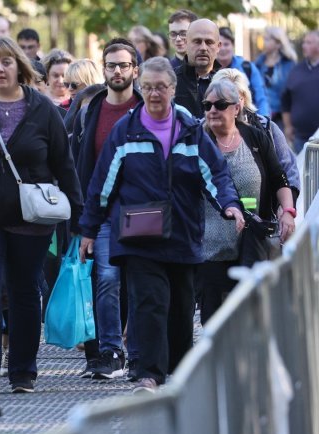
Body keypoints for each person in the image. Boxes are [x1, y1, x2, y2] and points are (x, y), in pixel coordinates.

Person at [78, 57, 245, 394]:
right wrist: (89, 229)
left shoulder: (190, 128)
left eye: (161, 87)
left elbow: (214, 173)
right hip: (140, 235)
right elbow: (103, 183)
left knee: (181, 309)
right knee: (150, 302)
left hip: (182, 233)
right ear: (141, 89)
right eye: (148, 87)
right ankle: (149, 374)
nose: (154, 94)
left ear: (172, 90)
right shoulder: (125, 130)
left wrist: (229, 204)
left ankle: (180, 373)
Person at [0, 37, 83, 393]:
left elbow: (63, 164)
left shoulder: (42, 109)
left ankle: (23, 370)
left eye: (6, 62)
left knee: (24, 290)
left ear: (19, 67)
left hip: (31, 216)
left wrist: (82, 218)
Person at [70, 39, 142, 381]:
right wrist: (82, 222)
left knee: (138, 281)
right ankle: (110, 351)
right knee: (106, 279)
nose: (116, 71)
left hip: (141, 210)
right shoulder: (92, 109)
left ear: (134, 70)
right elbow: (79, 165)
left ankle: (139, 351)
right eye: (111, 64)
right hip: (101, 211)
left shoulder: (146, 108)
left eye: (123, 65)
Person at [199, 78, 294, 323]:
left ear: (236, 108)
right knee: (214, 320)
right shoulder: (197, 140)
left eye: (220, 104)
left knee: (254, 316)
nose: (212, 110)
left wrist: (288, 212)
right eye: (206, 105)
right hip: (210, 249)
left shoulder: (254, 137)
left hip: (253, 242)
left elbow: (279, 178)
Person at [213, 68, 301, 201]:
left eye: (236, 97)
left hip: (262, 215)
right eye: (222, 100)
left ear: (244, 98)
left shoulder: (265, 127)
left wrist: (286, 207)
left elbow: (288, 170)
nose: (232, 105)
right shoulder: (202, 130)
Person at [174, 18, 222, 118]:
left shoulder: (228, 83)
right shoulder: (171, 82)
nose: (203, 48)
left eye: (209, 42)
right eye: (197, 41)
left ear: (218, 46)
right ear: (186, 43)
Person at [216, 27, 270, 116]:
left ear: (233, 46)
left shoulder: (247, 67)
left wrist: (264, 122)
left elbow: (261, 97)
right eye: (220, 45)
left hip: (247, 121)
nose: (223, 49)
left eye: (226, 44)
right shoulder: (208, 70)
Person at [282, 30, 319, 154]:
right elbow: (286, 100)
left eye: (309, 43)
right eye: (304, 42)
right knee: (303, 172)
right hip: (300, 138)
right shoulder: (296, 70)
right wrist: (287, 126)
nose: (304, 46)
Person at [254, 27, 297, 129]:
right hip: (260, 115)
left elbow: (290, 93)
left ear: (278, 43)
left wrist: (289, 125)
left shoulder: (289, 64)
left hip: (281, 118)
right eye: (264, 39)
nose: (264, 42)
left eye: (267, 39)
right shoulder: (258, 62)